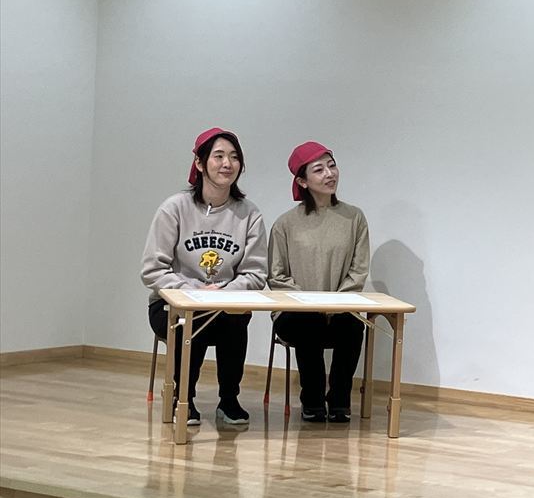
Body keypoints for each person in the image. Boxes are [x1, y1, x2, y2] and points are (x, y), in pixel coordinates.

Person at [141, 128, 268, 426]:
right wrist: (194, 292)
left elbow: (256, 273)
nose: (227, 164)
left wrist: (223, 294)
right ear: (199, 163)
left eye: (234, 157)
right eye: (219, 156)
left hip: (225, 303)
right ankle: (182, 397)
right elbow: (152, 270)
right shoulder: (174, 208)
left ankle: (229, 400)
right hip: (171, 305)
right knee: (193, 316)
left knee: (235, 317)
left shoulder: (249, 214)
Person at [268, 142, 370, 423]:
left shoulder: (354, 218)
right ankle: (312, 400)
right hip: (294, 311)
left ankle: (339, 400)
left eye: (332, 166)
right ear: (302, 181)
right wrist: (310, 303)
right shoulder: (285, 223)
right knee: (308, 321)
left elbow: (359, 270)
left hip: (341, 307)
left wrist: (335, 303)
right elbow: (277, 276)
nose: (330, 173)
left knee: (353, 326)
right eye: (319, 169)